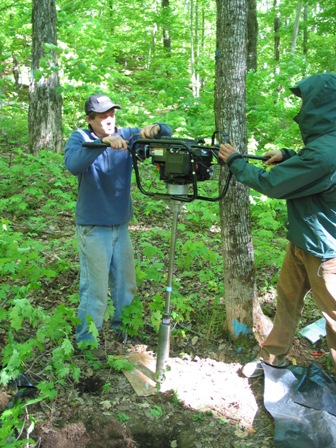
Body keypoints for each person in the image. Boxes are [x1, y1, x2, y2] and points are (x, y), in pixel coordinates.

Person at [218, 73, 336, 378]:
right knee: (286, 303)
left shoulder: (325, 153)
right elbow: (313, 164)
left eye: (306, 100)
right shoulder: (326, 144)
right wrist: (289, 155)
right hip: (304, 239)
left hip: (326, 253)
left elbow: (273, 184)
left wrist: (236, 163)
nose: (301, 107)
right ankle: (272, 359)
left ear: (321, 105)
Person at [65, 93, 172, 355]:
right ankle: (87, 341)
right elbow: (73, 165)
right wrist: (103, 143)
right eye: (103, 116)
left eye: (112, 113)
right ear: (90, 119)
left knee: (125, 284)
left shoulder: (127, 134)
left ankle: (123, 329)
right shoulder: (80, 137)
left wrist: (155, 129)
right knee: (95, 289)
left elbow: (166, 131)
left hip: (120, 226)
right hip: (93, 227)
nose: (110, 119)